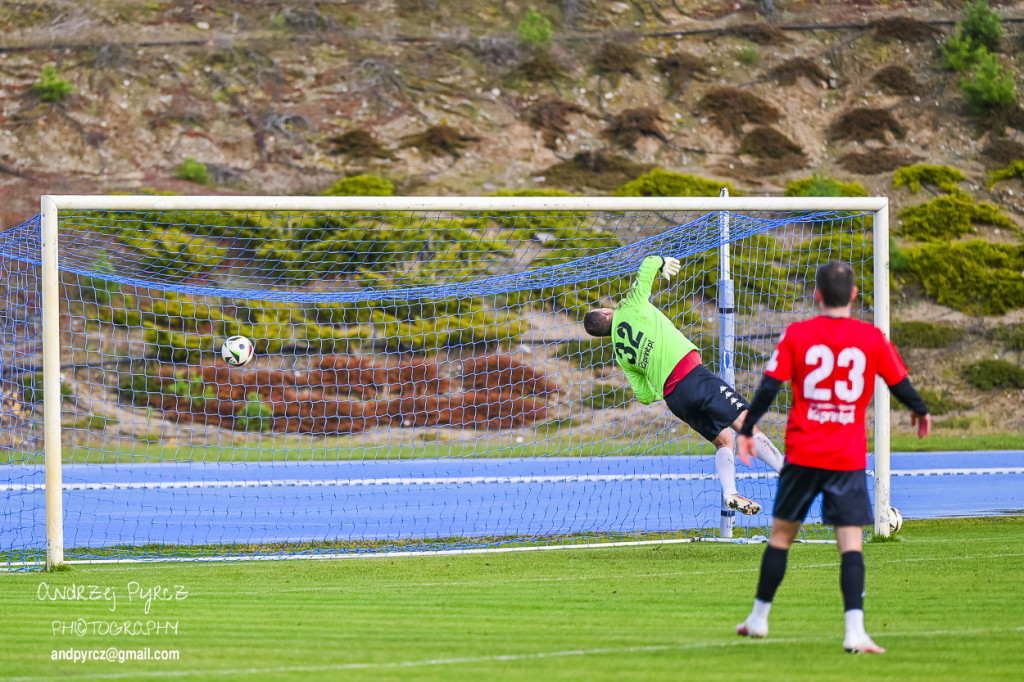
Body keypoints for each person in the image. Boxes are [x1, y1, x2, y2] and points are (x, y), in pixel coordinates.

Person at [734, 260, 931, 654]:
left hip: (804, 452)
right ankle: (854, 631)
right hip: (846, 457)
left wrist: (746, 429)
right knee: (851, 545)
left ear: (817, 295)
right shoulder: (871, 337)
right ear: (854, 296)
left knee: (781, 538)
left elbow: (769, 386)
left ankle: (758, 618)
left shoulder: (798, 334)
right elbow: (899, 383)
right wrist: (920, 409)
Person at [583, 254, 784, 516]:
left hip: (675, 399)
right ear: (607, 312)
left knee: (724, 440)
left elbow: (643, 395)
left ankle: (730, 492)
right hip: (693, 377)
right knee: (746, 423)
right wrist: (663, 261)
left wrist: (662, 381)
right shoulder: (628, 305)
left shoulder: (620, 353)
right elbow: (647, 265)